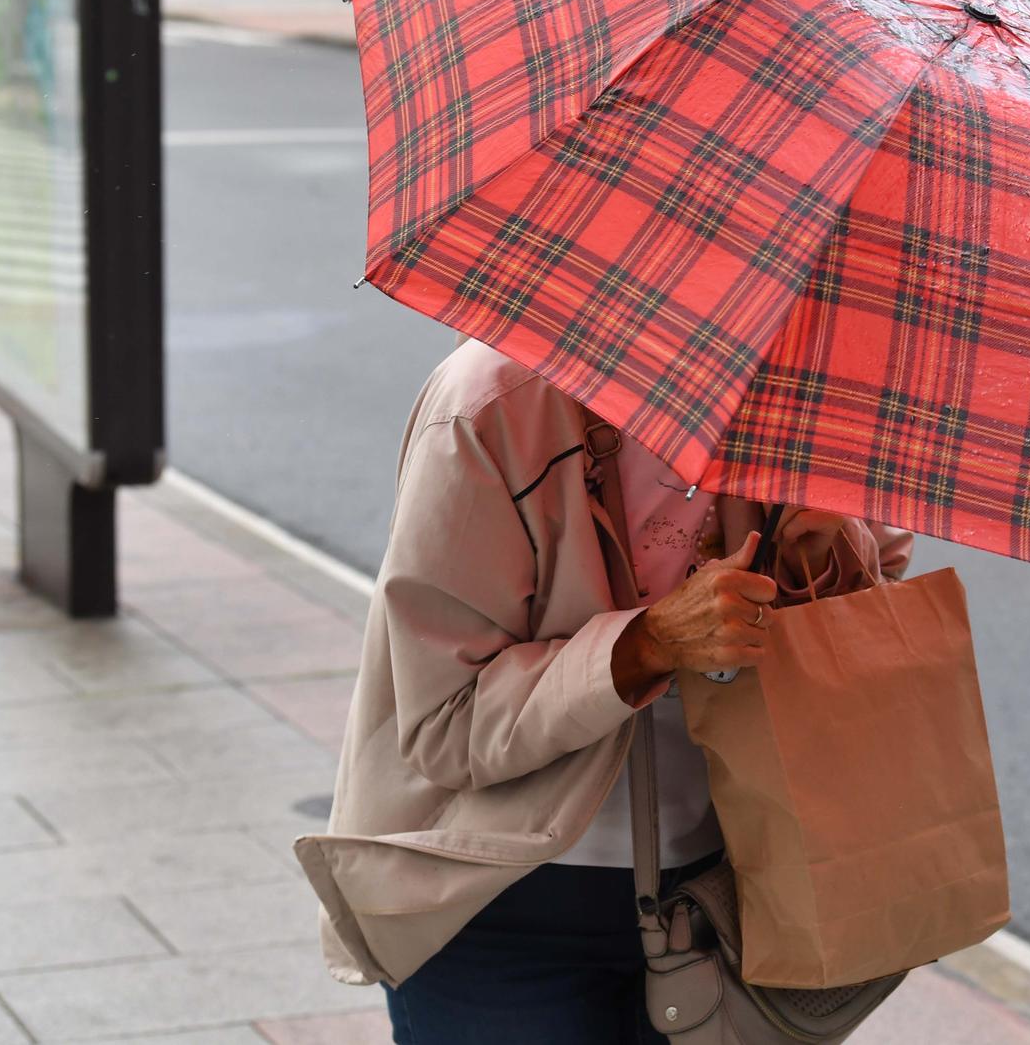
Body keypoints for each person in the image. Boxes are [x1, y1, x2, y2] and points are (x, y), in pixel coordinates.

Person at [296, 340, 911, 1042]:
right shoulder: (492, 405)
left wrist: (815, 556)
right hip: (498, 900)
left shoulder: (817, 400)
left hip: (732, 897)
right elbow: (445, 721)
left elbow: (860, 660)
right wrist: (644, 646)